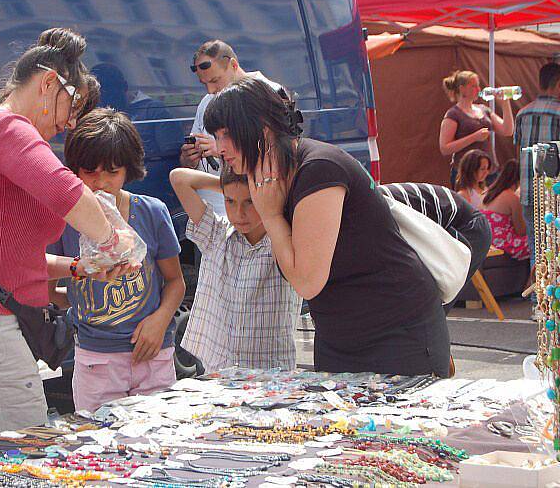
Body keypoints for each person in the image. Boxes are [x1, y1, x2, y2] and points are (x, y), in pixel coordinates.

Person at [0, 28, 137, 446]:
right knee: (23, 453)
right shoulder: (4, 127)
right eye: (71, 106)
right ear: (47, 84)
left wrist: (80, 267)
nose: (70, 123)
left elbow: (15, 256)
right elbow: (68, 193)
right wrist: (116, 242)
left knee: (9, 451)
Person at [204, 77, 450, 377]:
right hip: (341, 331)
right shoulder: (274, 173)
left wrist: (271, 216)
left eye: (227, 134)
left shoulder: (317, 168)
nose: (219, 148)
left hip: (395, 329)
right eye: (216, 136)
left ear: (261, 126)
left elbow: (307, 281)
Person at [47, 108, 185, 413]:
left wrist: (160, 320)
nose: (101, 182)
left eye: (112, 172)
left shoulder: (151, 211)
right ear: (75, 171)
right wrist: (74, 297)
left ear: (128, 170)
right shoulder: (63, 220)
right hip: (96, 362)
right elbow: (46, 285)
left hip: (153, 355)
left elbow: (175, 281)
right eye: (90, 172)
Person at [169, 166, 302, 372]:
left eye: (250, 201)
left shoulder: (284, 241)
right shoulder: (216, 234)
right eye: (230, 201)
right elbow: (179, 178)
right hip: (218, 364)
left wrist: (256, 190)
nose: (239, 213)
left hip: (271, 369)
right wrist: (231, 186)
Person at [180, 40, 283, 216]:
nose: (211, 90)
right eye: (204, 84)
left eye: (215, 80)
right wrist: (190, 158)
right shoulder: (207, 102)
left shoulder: (268, 93)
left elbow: (278, 154)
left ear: (233, 65)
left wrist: (219, 148)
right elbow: (191, 164)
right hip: (213, 212)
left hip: (252, 213)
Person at [379, 182, 492, 314]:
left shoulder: (375, 212)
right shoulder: (366, 207)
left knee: (434, 301)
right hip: (442, 218)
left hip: (465, 224)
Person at [515, 62, 560, 270]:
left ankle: (538, 299)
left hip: (529, 192)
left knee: (537, 247)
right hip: (554, 193)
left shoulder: (522, 113)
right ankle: (552, 300)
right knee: (555, 248)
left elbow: (520, 150)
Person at [439, 70, 514, 184]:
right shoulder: (453, 114)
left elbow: (507, 130)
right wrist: (474, 137)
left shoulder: (483, 110)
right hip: (466, 174)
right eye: (473, 86)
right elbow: (445, 148)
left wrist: (505, 104)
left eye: (478, 86)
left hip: (489, 172)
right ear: (462, 88)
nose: (478, 90)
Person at [480, 160, 530, 261]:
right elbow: (521, 231)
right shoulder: (512, 198)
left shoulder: (487, 193)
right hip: (504, 244)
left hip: (489, 242)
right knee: (537, 243)